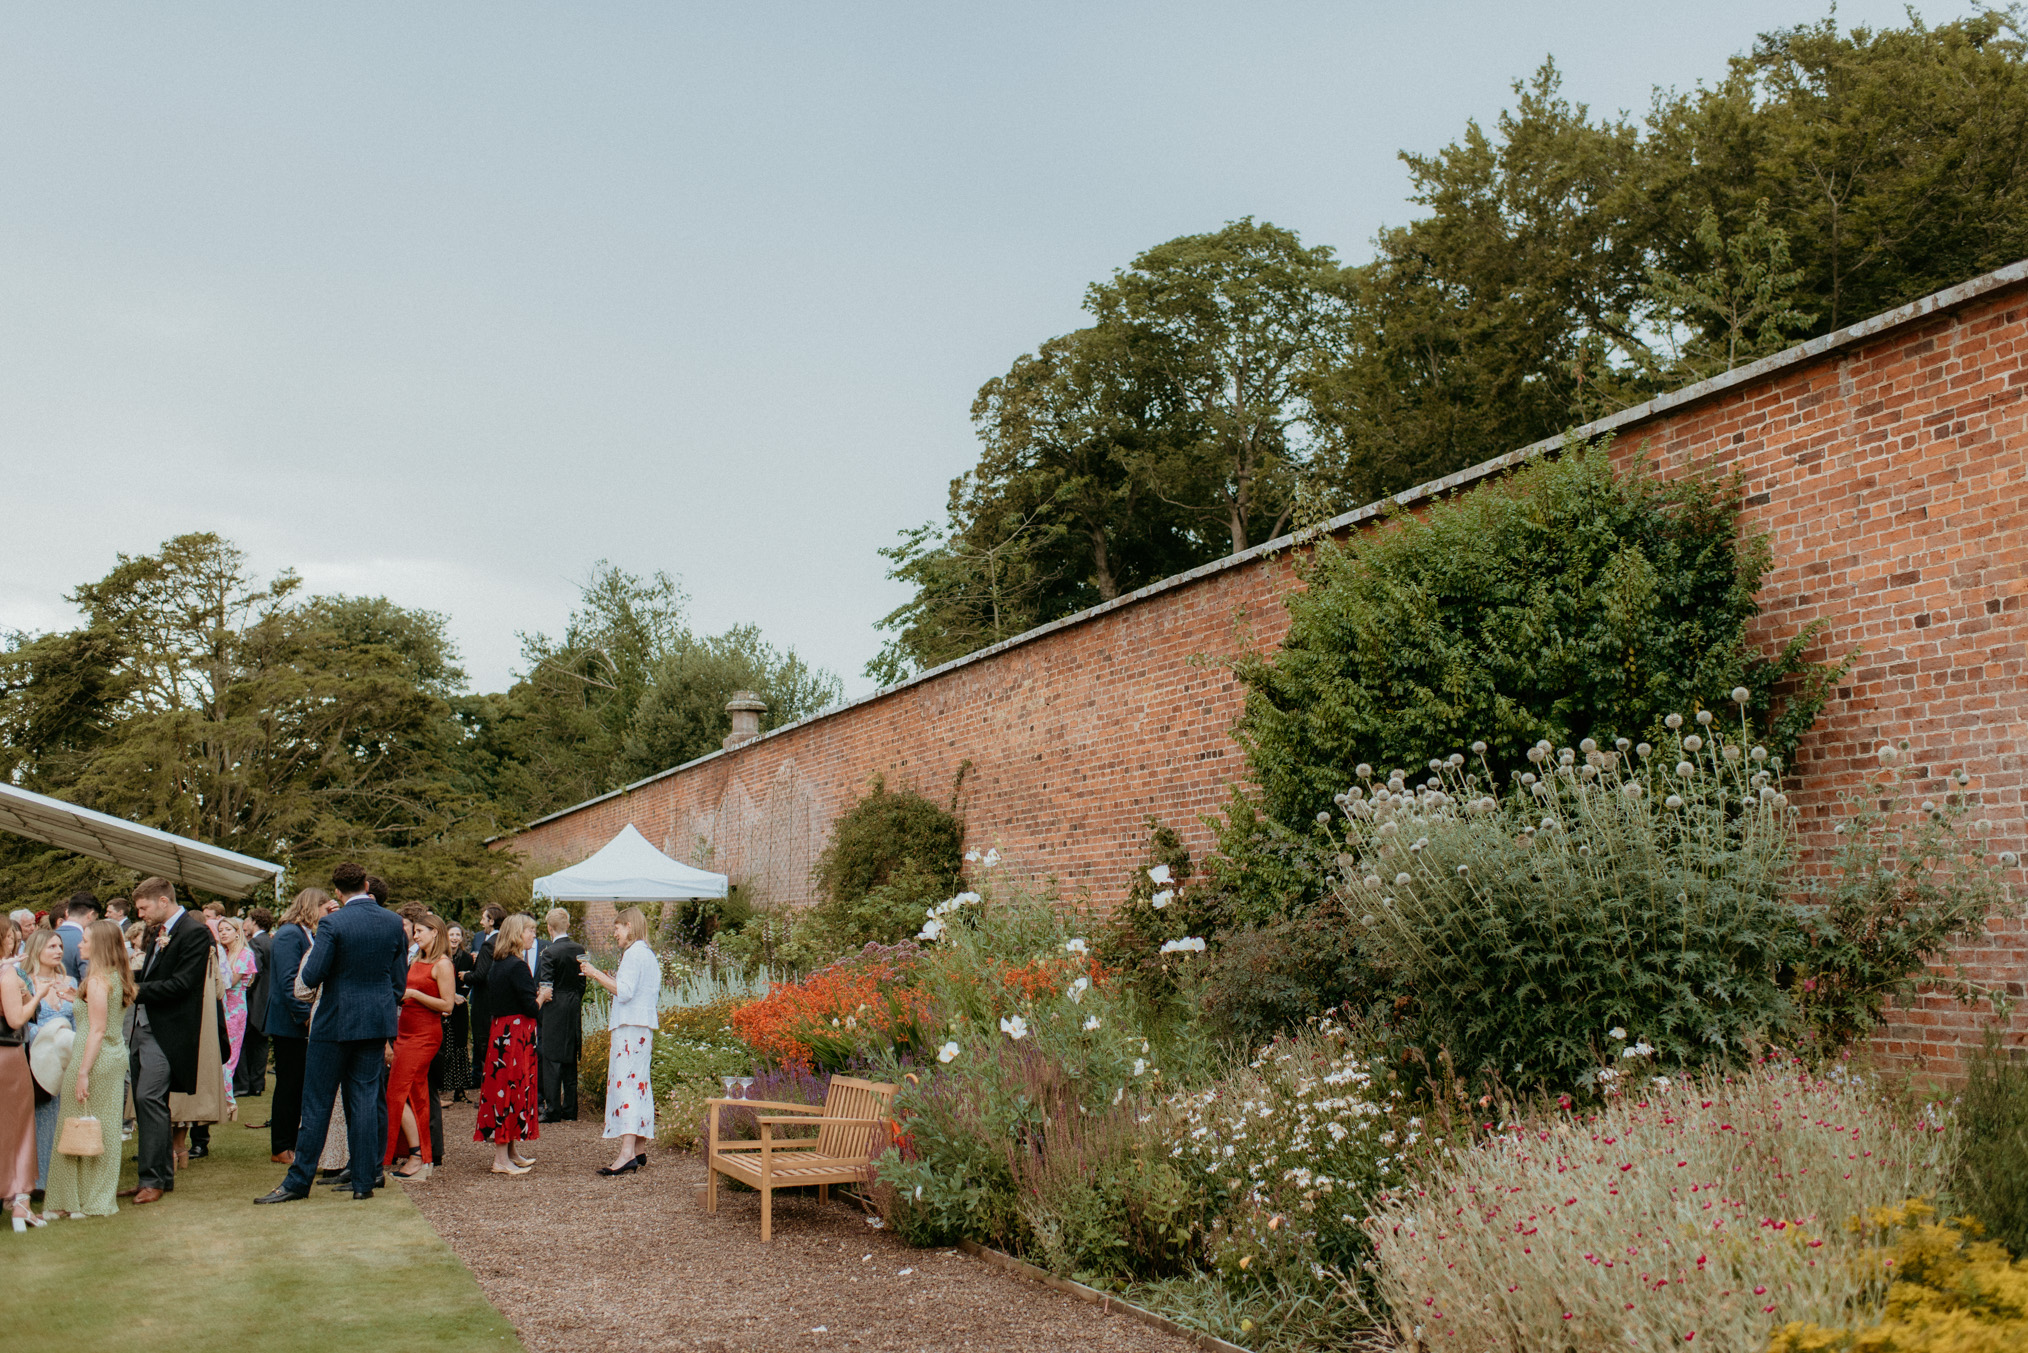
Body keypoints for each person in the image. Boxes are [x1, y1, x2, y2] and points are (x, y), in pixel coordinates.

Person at [255, 862, 406, 1204]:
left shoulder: (332, 923)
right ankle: (364, 1182)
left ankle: (298, 1182)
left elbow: (311, 975)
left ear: (337, 891)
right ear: (366, 884)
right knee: (365, 1101)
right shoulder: (393, 922)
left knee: (317, 1102)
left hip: (334, 1022)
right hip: (374, 1022)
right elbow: (398, 982)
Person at [125, 878, 212, 1205]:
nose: (141, 913)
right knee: (146, 1105)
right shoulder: (161, 932)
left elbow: (182, 985)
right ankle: (154, 1176)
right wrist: (119, 978)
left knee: (149, 1099)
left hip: (168, 1032)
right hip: (143, 1029)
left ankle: (154, 1180)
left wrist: (134, 992)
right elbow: (152, 978)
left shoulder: (194, 932)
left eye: (143, 907)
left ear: (163, 901)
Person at [43, 920, 133, 1219]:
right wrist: (74, 999)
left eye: (84, 940)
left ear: (99, 946)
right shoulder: (114, 977)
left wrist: (82, 1072)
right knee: (103, 1126)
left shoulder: (97, 981)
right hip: (113, 1054)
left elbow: (96, 1030)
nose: (79, 945)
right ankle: (91, 1197)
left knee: (76, 1124)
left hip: (94, 1058)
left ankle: (71, 1201)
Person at [578, 907, 661, 1176]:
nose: (614, 934)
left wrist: (594, 973)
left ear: (628, 925)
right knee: (638, 1083)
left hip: (629, 1028)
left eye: (617, 928)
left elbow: (623, 992)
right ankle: (638, 1146)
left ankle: (626, 1153)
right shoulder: (647, 954)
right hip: (641, 1028)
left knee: (626, 1084)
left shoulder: (633, 953)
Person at [386, 912, 454, 1181]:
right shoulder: (416, 959)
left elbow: (447, 1005)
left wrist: (414, 994)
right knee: (416, 1095)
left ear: (435, 932)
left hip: (425, 1035)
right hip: (405, 1031)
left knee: (397, 1094)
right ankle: (422, 1158)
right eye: (414, 931)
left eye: (420, 931)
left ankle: (417, 1156)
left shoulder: (443, 964)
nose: (415, 936)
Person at [475, 914, 541, 1175]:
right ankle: (501, 1159)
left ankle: (511, 1152)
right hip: (515, 1035)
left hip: (501, 1031)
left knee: (509, 1087)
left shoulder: (498, 963)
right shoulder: (517, 965)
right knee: (510, 1088)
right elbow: (530, 1007)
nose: (533, 936)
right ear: (517, 934)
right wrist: (543, 997)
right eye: (530, 931)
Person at [17, 927, 75, 1195]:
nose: (58, 951)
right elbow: (20, 1022)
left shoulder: (71, 982)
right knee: (39, 1118)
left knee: (64, 1117)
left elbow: (78, 1022)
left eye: (60, 946)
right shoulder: (25, 982)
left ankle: (61, 1179)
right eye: (51, 947)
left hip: (67, 1059)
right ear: (36, 950)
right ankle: (36, 1181)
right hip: (35, 1060)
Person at [0, 933, 48, 1229]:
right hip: (7, 1055)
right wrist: (38, 994)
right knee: (19, 1128)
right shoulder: (7, 975)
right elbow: (18, 1020)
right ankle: (21, 1204)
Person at [535, 908, 586, 1123]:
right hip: (573, 1003)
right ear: (567, 925)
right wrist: (574, 998)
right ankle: (570, 1108)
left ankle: (553, 1109)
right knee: (570, 1054)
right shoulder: (580, 948)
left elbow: (546, 984)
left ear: (549, 927)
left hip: (554, 1005)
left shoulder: (548, 952)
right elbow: (583, 980)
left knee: (552, 1057)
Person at [217, 917, 257, 1116]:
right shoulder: (223, 953)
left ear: (237, 932)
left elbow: (229, 981)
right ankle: (222, 1098)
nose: (223, 933)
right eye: (220, 929)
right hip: (221, 1007)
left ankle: (229, 1101)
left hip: (235, 1009)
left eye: (227, 929)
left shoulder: (245, 954)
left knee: (230, 1055)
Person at [237, 907, 274, 1101]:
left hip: (253, 1002)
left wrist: (241, 993)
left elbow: (252, 974)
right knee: (260, 1045)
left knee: (242, 1043)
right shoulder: (270, 941)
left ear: (254, 921)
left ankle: (243, 1084)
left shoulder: (255, 944)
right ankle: (258, 1084)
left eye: (247, 920)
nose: (245, 924)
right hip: (267, 1001)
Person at [468, 905, 505, 1084]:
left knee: (485, 1046)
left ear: (491, 921)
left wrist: (465, 975)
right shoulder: (503, 940)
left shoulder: (489, 943)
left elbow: (480, 975)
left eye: (484, 918)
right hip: (497, 1001)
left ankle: (488, 1090)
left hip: (484, 1003)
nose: (481, 922)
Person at [445, 924, 474, 1101]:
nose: (455, 938)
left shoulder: (467, 959)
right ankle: (442, 1084)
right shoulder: (440, 957)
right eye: (452, 934)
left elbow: (469, 981)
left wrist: (459, 996)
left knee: (460, 1046)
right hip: (443, 1005)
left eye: (458, 935)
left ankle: (460, 1088)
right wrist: (449, 995)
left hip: (460, 1006)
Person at [56, 893, 98, 982]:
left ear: (67, 912)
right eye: (95, 918)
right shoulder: (85, 941)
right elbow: (87, 979)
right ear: (91, 915)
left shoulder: (46, 938)